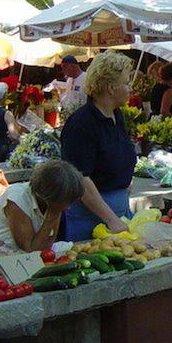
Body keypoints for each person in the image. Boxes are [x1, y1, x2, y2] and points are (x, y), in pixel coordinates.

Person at [60, 52, 137, 241]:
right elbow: (80, 178)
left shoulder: (117, 116)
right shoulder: (81, 124)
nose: (131, 88)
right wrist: (112, 220)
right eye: (127, 82)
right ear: (111, 88)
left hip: (118, 214)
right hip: (91, 220)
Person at [0, 160, 85, 256]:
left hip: (27, 253)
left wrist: (55, 212)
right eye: (66, 202)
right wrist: (53, 214)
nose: (68, 207)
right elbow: (31, 250)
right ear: (50, 198)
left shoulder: (54, 203)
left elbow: (47, 244)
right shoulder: (17, 199)